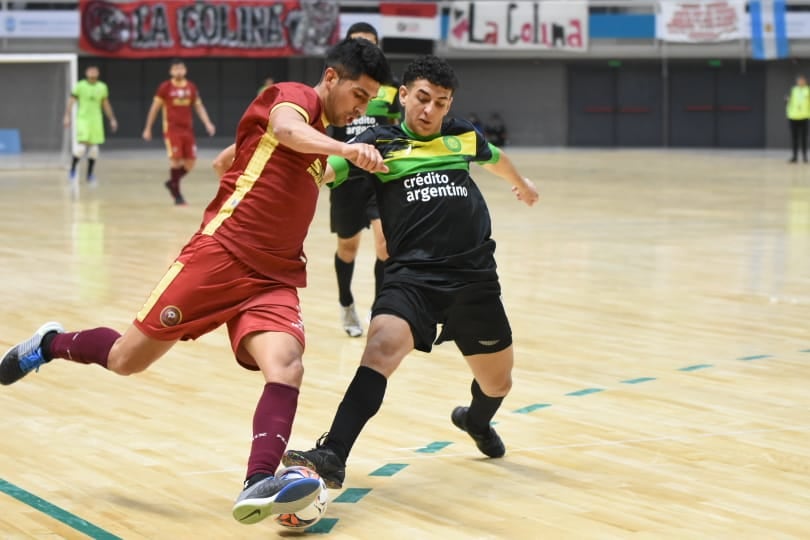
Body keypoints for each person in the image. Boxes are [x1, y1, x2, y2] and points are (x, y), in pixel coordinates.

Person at [0, 38, 391, 525]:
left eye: (368, 101)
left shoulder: (321, 144)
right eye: (358, 94)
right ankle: (49, 343)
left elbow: (231, 158)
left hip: (275, 274)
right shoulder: (297, 97)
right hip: (220, 255)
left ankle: (258, 481)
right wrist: (343, 148)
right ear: (331, 78)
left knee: (287, 365)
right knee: (126, 359)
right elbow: (285, 127)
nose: (359, 108)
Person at [281, 55, 539, 489]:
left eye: (441, 102)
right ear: (403, 95)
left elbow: (496, 158)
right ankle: (333, 453)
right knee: (380, 349)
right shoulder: (377, 143)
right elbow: (323, 170)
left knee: (498, 384)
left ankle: (476, 422)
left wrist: (521, 183)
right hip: (412, 277)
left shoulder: (461, 136)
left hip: (474, 278)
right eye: (422, 99)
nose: (429, 111)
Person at [330, 22, 401, 338]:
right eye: (358, 43)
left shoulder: (391, 87)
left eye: (369, 43)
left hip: (380, 174)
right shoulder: (336, 83)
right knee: (348, 247)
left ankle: (379, 310)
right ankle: (346, 303)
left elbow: (399, 127)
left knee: (385, 244)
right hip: (346, 175)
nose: (364, 49)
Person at [142, 59, 216, 205]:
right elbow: (154, 109)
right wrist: (148, 128)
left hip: (188, 130)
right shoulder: (165, 87)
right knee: (175, 160)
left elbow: (199, 107)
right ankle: (177, 195)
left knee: (191, 162)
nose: (178, 71)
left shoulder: (191, 87)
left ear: (185, 70)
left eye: (181, 68)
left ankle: (172, 182)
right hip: (172, 130)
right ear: (171, 72)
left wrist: (208, 123)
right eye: (175, 69)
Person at [63, 65, 118, 189]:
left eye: (95, 71)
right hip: (83, 119)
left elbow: (106, 104)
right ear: (86, 73)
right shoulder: (80, 86)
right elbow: (71, 101)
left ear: (98, 73)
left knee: (94, 150)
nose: (93, 73)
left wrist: (112, 119)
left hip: (96, 120)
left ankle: (89, 174)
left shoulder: (102, 87)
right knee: (81, 148)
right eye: (90, 71)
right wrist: (67, 116)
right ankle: (72, 170)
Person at [786, 74, 810, 163]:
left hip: (804, 117)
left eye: (802, 80)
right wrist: (787, 101)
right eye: (799, 80)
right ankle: (794, 157)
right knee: (794, 138)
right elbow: (789, 101)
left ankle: (804, 157)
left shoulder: (808, 90)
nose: (800, 82)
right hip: (793, 116)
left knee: (804, 138)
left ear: (805, 81)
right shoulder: (793, 90)